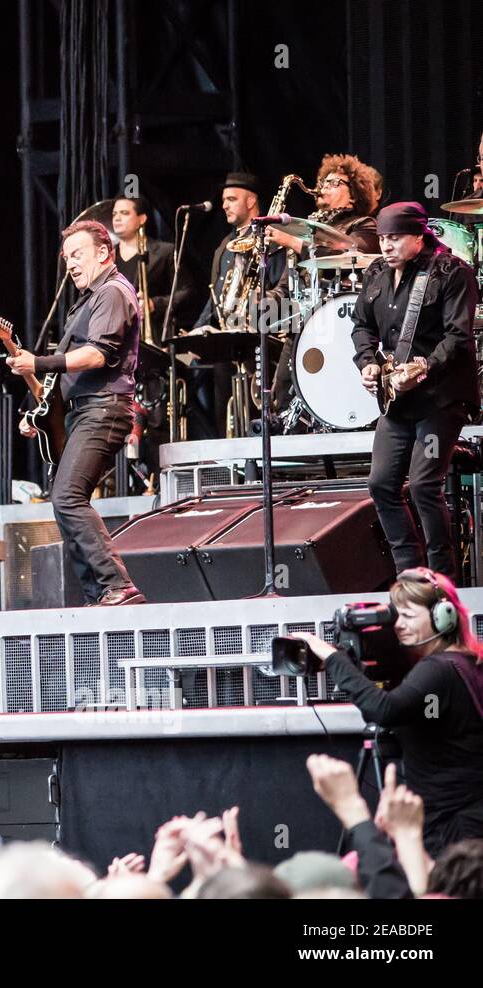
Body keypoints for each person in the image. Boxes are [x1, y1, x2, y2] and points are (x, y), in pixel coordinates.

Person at [295, 569, 483, 855]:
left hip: (452, 829)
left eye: (408, 616)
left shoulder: (439, 670)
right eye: (397, 616)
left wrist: (332, 658)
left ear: (443, 617)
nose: (399, 625)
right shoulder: (465, 662)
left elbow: (384, 710)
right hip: (464, 820)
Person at [6, 220, 145, 606]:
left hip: (105, 410)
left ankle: (118, 584)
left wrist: (39, 361)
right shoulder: (87, 299)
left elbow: (97, 354)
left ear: (103, 252)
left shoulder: (114, 292)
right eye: (67, 257)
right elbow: (67, 381)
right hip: (84, 411)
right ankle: (97, 593)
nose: (70, 264)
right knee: (64, 498)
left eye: (78, 254)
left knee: (67, 497)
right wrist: (37, 414)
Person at [352, 201, 480, 578]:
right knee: (380, 484)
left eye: (394, 238)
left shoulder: (451, 272)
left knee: (425, 486)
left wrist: (424, 366)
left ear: (418, 237)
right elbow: (361, 326)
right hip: (397, 401)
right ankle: (411, 574)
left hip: (440, 398)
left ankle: (443, 580)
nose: (386, 247)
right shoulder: (376, 273)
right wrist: (367, 362)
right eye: (382, 239)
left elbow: (458, 336)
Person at [265, 154, 383, 413]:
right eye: (323, 181)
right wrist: (264, 301)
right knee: (281, 394)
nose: (324, 186)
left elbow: (353, 256)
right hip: (304, 319)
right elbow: (287, 283)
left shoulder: (364, 224)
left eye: (334, 182)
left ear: (354, 194)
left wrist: (295, 244)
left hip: (342, 319)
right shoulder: (308, 227)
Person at [182, 172, 285, 439]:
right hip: (227, 340)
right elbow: (215, 296)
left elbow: (281, 289)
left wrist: (260, 308)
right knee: (222, 409)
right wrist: (198, 330)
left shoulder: (273, 239)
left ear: (251, 201)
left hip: (259, 336)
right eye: (224, 200)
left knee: (255, 409)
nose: (225, 205)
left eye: (231, 199)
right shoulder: (225, 246)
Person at [111, 195, 186, 339]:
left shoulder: (165, 252)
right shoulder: (107, 256)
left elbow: (186, 291)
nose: (117, 218)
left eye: (124, 213)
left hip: (152, 334)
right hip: (114, 335)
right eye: (114, 213)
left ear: (142, 219)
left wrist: (154, 304)